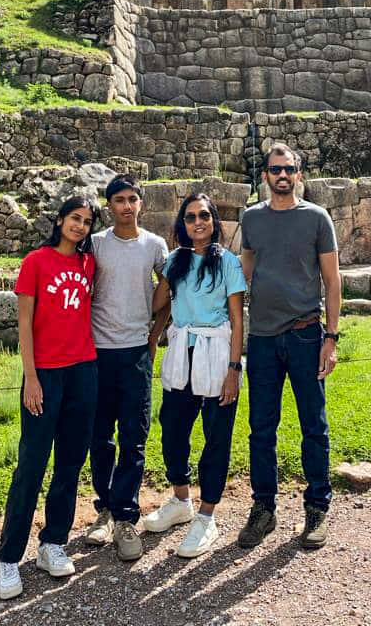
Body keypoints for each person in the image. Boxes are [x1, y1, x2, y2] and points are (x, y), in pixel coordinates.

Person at [238, 143, 342, 551]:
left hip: (304, 334)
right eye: (275, 169)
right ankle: (263, 508)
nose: (282, 175)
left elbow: (332, 282)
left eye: (289, 169)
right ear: (265, 175)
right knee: (261, 429)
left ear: (299, 174)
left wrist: (330, 339)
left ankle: (317, 507)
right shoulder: (252, 219)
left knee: (313, 426)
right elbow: (243, 273)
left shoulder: (317, 218)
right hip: (262, 338)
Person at [0, 196, 99, 600]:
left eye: (87, 222)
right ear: (59, 220)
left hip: (83, 370)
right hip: (46, 375)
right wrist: (31, 378)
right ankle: (8, 556)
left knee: (71, 462)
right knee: (32, 465)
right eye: (75, 218)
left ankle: (53, 542)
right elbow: (24, 326)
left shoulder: (88, 263)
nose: (80, 227)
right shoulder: (36, 262)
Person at [145, 192, 246, 557]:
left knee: (216, 434)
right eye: (190, 217)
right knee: (172, 427)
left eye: (204, 216)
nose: (198, 222)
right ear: (182, 225)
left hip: (217, 351)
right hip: (182, 350)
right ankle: (181, 499)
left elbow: (237, 319)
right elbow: (160, 303)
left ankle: (207, 516)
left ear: (214, 221)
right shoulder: (175, 262)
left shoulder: (228, 263)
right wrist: (158, 272)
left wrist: (234, 370)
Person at [83, 174, 170, 561]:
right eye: (119, 199)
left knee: (134, 437)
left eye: (133, 199)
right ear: (109, 206)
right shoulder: (96, 244)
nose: (127, 206)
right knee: (99, 437)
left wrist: (153, 338)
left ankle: (126, 517)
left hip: (136, 352)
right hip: (98, 353)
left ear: (141, 204)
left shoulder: (155, 245)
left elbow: (168, 290)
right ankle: (105, 509)